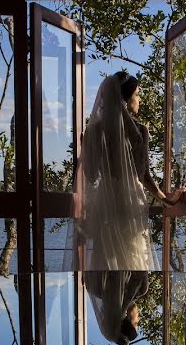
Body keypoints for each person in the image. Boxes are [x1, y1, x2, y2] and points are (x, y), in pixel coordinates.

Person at [76, 71, 178, 272]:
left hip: (105, 202)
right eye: (137, 94)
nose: (139, 99)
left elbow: (90, 174)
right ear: (126, 98)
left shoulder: (95, 130)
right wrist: (167, 200)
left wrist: (85, 147)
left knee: (107, 263)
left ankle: (114, 302)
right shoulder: (139, 131)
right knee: (133, 265)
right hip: (130, 202)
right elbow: (143, 176)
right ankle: (124, 301)